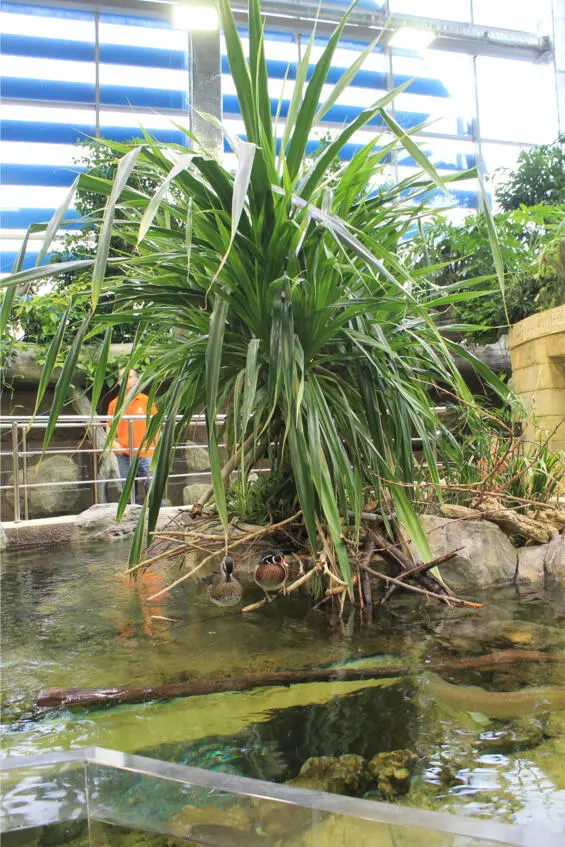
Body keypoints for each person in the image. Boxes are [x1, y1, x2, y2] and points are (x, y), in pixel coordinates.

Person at [107, 367, 158, 503]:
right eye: (122, 378)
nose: (126, 381)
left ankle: (159, 515)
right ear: (119, 382)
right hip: (124, 454)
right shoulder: (114, 404)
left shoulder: (146, 401)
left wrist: (156, 448)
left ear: (136, 379)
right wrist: (113, 444)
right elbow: (109, 427)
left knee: (153, 491)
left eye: (129, 377)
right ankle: (128, 516)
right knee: (128, 494)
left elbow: (156, 425)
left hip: (147, 453)